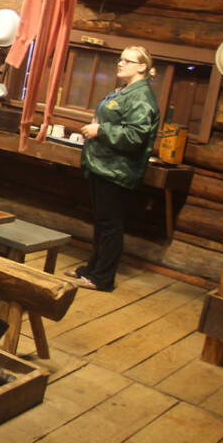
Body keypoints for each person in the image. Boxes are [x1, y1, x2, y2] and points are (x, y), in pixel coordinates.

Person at [72, 46, 160, 292]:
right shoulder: (124, 91)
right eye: (120, 59)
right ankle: (91, 270)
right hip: (104, 165)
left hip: (117, 170)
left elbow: (135, 136)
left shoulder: (141, 97)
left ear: (142, 66)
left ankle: (103, 278)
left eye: (127, 60)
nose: (120, 63)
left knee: (110, 224)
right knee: (102, 222)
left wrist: (100, 130)